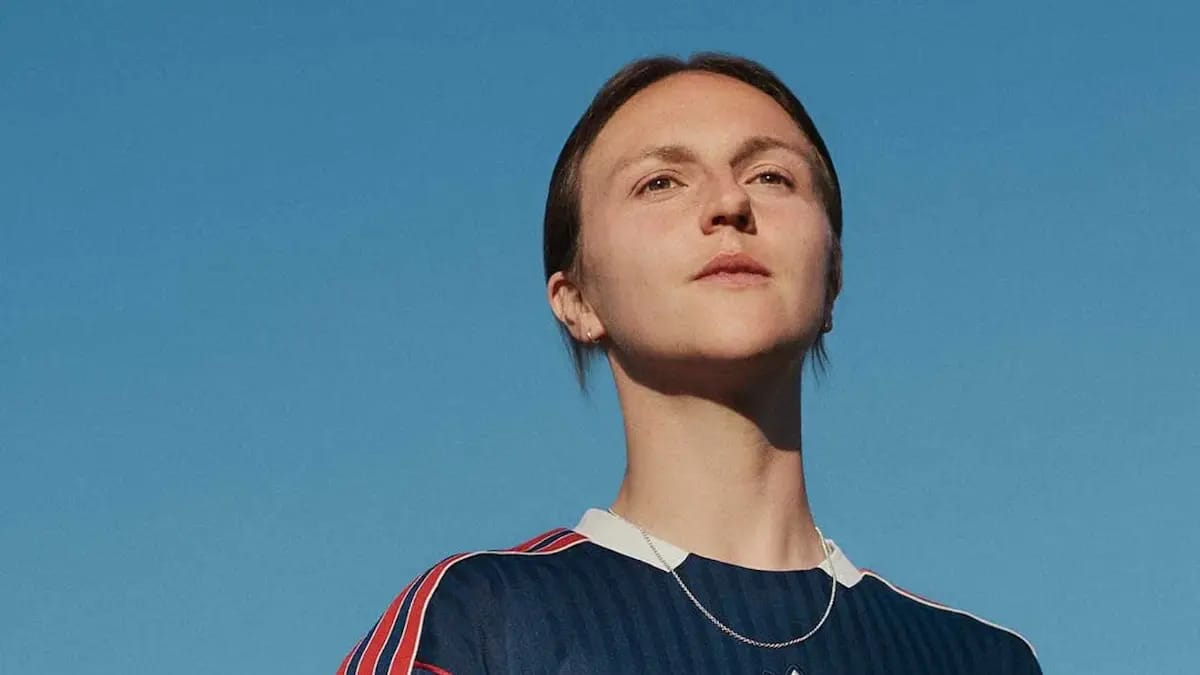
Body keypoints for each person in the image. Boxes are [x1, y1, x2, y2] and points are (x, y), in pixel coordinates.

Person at [336, 53, 1042, 675]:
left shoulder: (979, 659)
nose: (730, 203)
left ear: (832, 279)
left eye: (771, 176)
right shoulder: (479, 623)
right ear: (577, 299)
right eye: (660, 183)